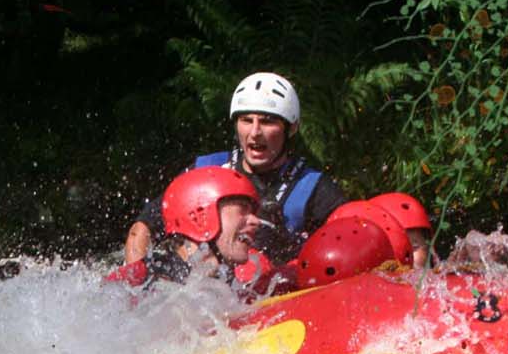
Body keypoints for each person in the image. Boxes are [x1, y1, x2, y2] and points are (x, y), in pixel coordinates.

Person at [125, 72, 347, 265]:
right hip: (201, 295)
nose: (255, 132)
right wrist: (136, 286)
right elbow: (143, 227)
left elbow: (347, 244)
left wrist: (291, 247)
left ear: (291, 129)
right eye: (246, 120)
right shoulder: (204, 171)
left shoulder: (314, 188)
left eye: (268, 121)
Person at [110, 166, 271, 299]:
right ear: (201, 216)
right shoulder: (139, 279)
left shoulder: (236, 285)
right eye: (242, 210)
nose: (255, 221)